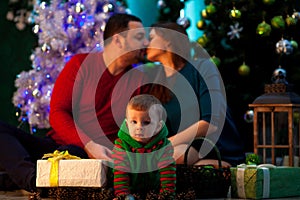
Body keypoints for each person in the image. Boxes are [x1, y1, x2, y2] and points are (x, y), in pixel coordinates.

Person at [0, 13, 150, 193]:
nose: (146, 43)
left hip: (92, 158)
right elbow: (57, 113)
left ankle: (24, 178)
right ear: (118, 40)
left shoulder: (140, 82)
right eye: (139, 37)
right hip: (55, 148)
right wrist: (88, 144)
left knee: (74, 155)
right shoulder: (80, 65)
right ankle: (35, 180)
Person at [145, 22, 245, 167]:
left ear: (168, 41)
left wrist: (165, 144)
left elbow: (211, 123)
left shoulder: (203, 68)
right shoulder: (158, 85)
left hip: (217, 149)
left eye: (152, 37)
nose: (147, 43)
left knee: (174, 156)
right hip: (184, 149)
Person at [112, 94, 176, 198]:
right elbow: (120, 172)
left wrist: (166, 195)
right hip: (130, 190)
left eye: (146, 122)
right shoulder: (121, 145)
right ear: (127, 124)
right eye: (134, 122)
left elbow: (167, 172)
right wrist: (123, 196)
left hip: (154, 191)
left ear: (158, 127)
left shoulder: (164, 145)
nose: (139, 127)